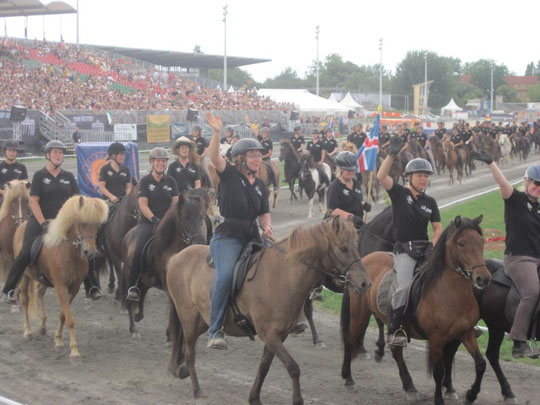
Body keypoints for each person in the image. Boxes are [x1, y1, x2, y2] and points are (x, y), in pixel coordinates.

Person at [1, 140, 101, 303]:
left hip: (63, 222)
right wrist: (42, 223)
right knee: (25, 252)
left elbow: (76, 200)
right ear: (48, 155)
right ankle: (9, 289)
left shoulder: (68, 176)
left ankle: (92, 286)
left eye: (60, 153)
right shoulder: (40, 175)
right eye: (55, 152)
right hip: (40, 220)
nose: (58, 155)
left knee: (86, 248)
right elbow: (33, 202)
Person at [205, 111, 272, 350]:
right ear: (241, 158)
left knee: (280, 263)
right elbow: (214, 157)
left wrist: (267, 226)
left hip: (252, 236)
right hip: (228, 237)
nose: (258, 159)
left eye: (259, 155)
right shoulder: (230, 174)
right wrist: (216, 133)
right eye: (253, 156)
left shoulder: (261, 185)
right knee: (225, 277)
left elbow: (263, 212)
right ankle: (215, 330)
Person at [472, 153, 540, 358]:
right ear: (526, 181)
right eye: (535, 182)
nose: (538, 186)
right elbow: (503, 184)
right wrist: (491, 162)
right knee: (532, 291)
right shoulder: (515, 200)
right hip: (519, 258)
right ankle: (518, 340)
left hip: (537, 258)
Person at [377, 137, 442, 347]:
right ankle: (394, 329)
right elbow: (381, 176)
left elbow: (437, 228)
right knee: (404, 286)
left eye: (426, 176)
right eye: (420, 175)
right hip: (404, 250)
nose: (423, 179)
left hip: (425, 249)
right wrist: (391, 154)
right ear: (410, 177)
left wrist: (434, 244)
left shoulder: (430, 202)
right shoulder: (399, 193)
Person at [126, 147, 179, 301]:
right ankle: (133, 285)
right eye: (158, 160)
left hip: (167, 221)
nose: (161, 163)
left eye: (163, 161)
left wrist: (168, 220)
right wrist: (155, 219)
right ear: (152, 162)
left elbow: (175, 204)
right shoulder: (145, 181)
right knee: (139, 249)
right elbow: (143, 205)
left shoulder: (171, 181)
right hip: (148, 222)